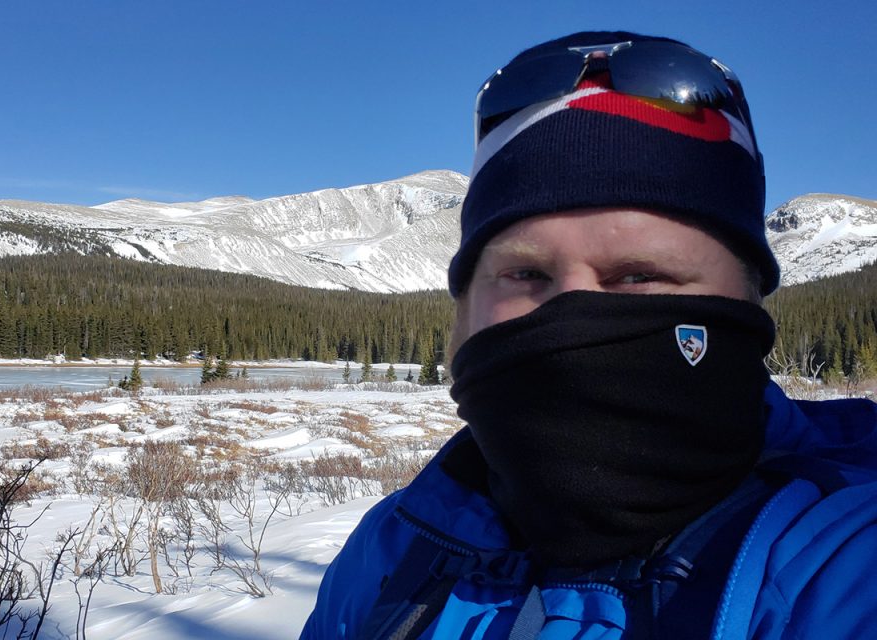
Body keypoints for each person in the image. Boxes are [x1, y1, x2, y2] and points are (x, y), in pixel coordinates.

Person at [300, 31, 877, 639]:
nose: (572, 316)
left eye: (641, 275)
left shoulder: (843, 559)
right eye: (525, 273)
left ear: (747, 300)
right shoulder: (395, 544)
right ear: (465, 307)